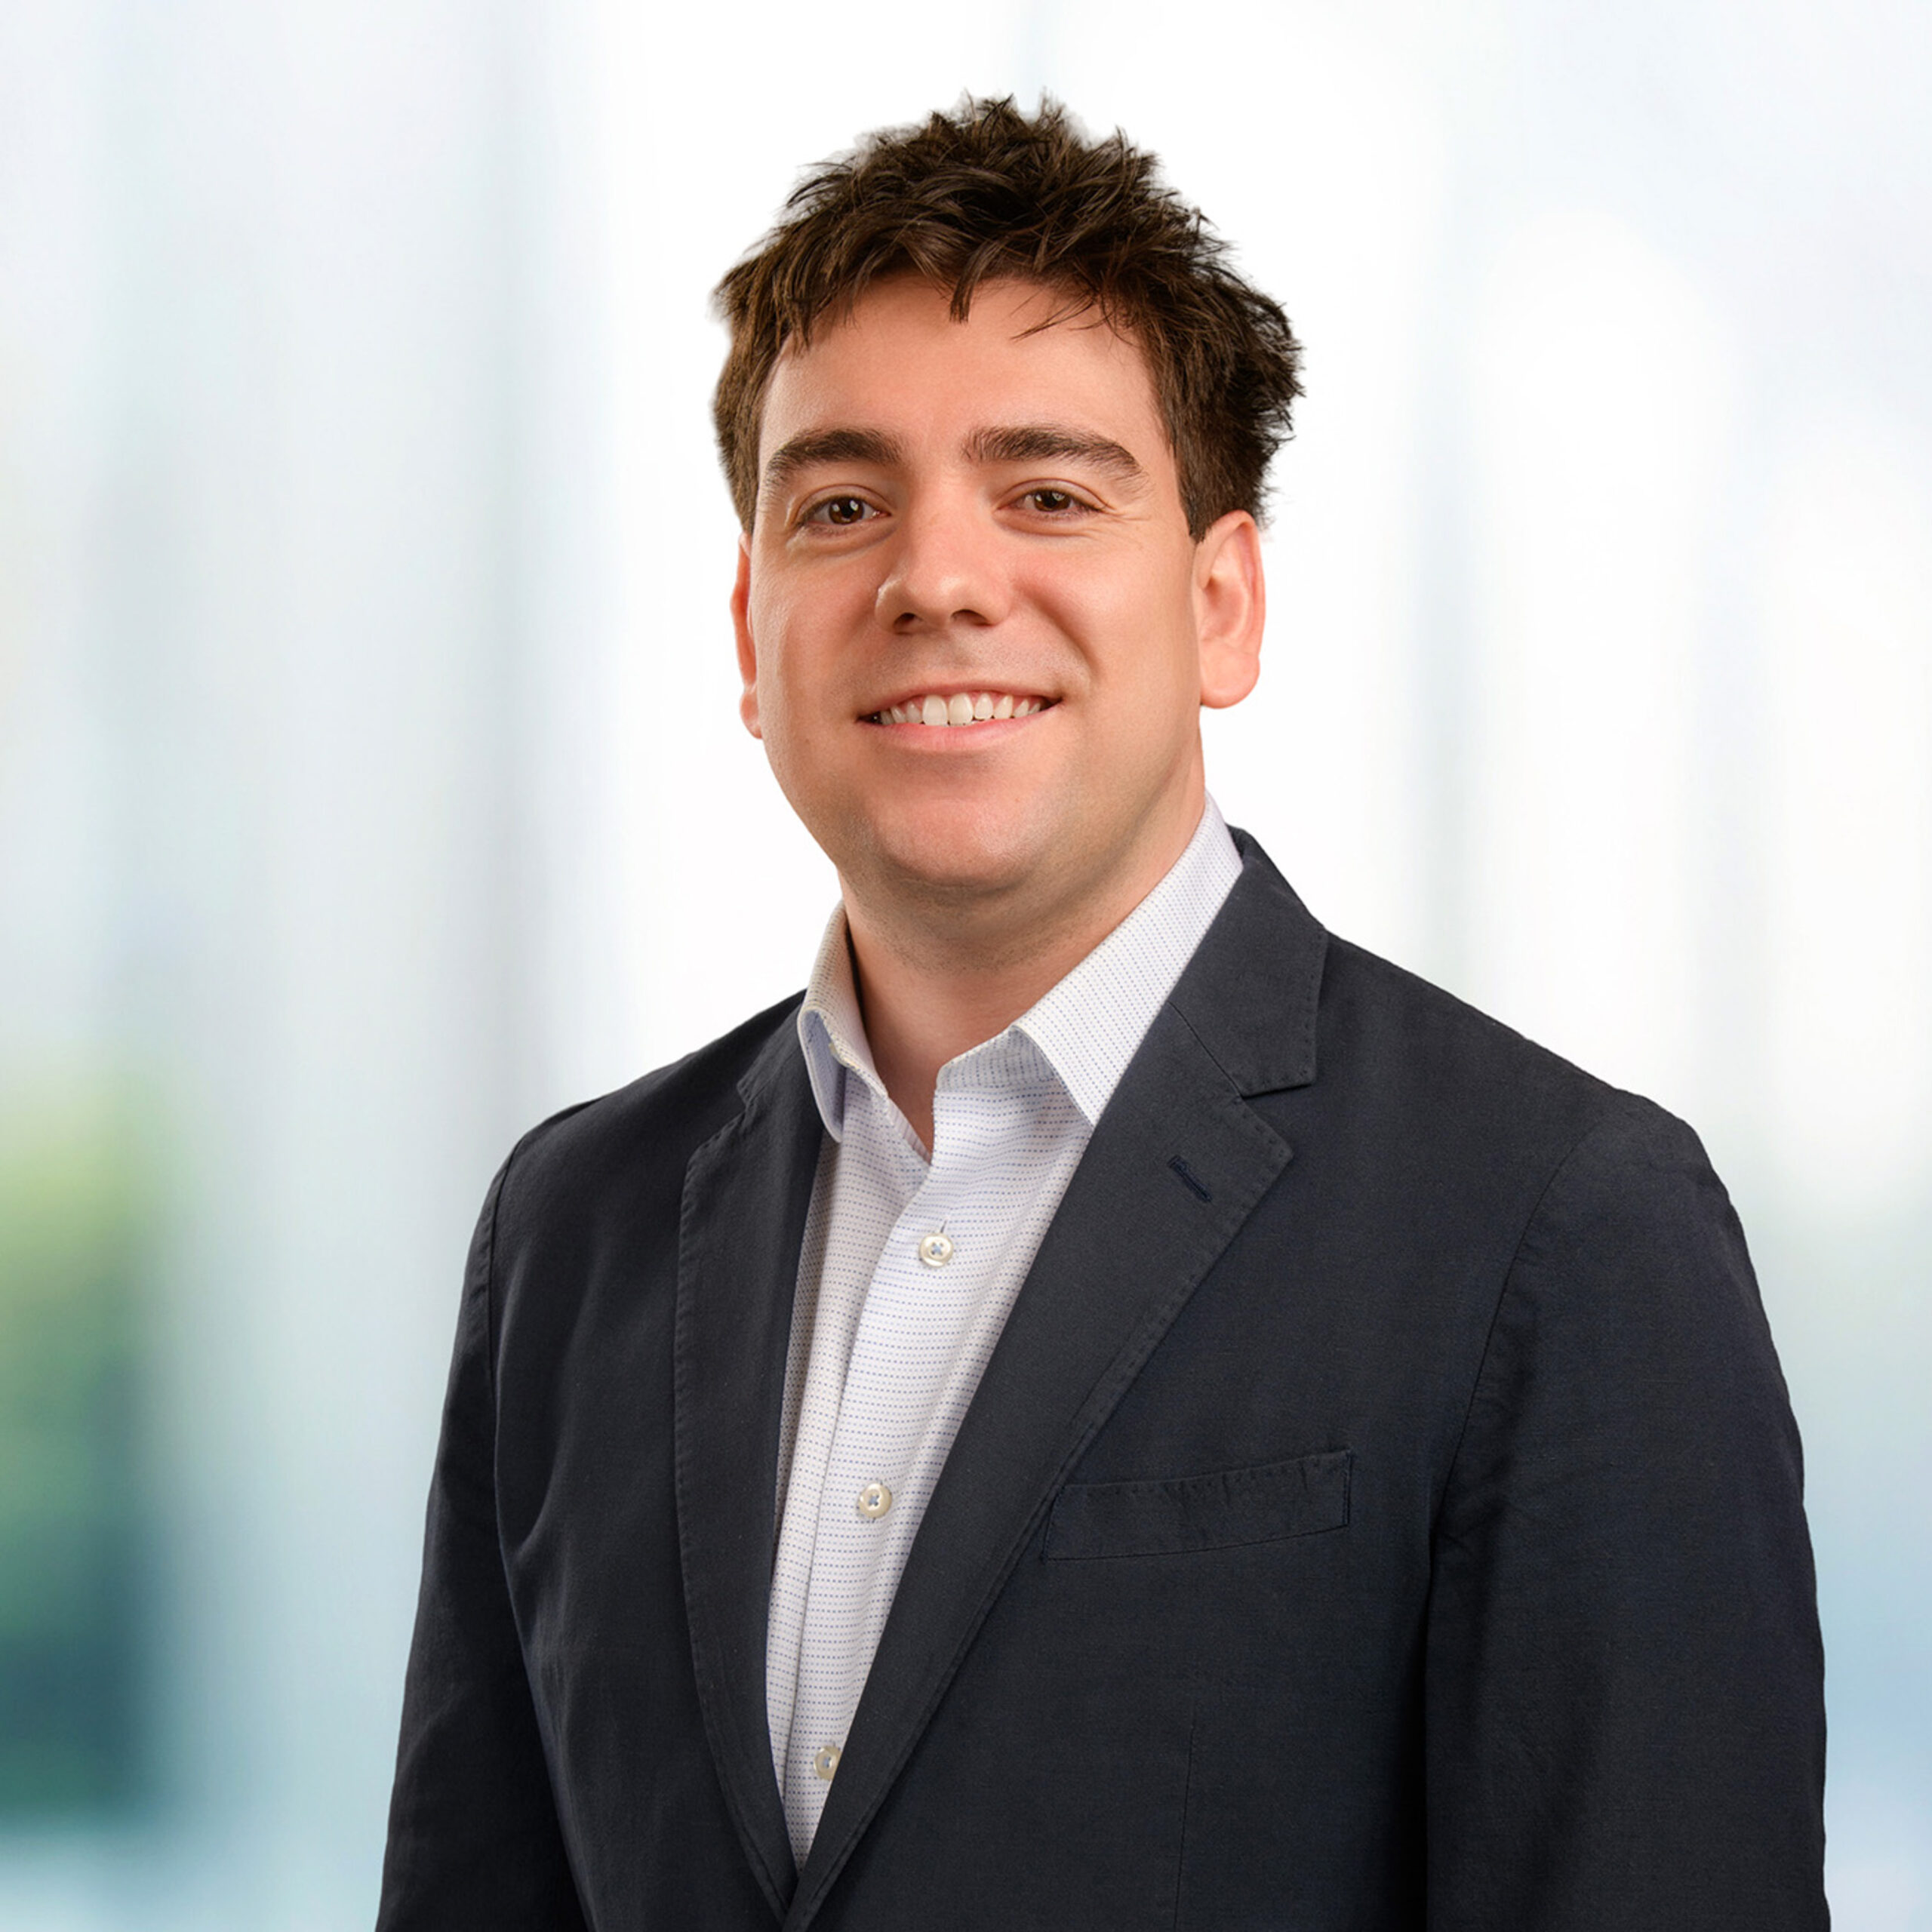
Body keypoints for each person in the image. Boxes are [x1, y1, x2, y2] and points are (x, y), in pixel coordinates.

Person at [377, 97, 1826, 1930]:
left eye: (1048, 492)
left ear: (1220, 604)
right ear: (751, 630)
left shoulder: (1556, 1227)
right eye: (840, 503)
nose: (935, 579)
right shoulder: (572, 1231)